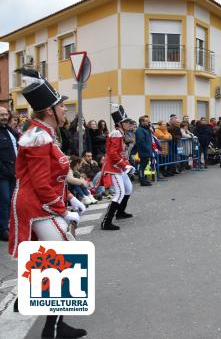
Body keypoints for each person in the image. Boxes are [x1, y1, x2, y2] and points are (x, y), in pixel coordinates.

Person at [8, 67, 87, 338]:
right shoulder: (40, 136)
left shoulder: (44, 132)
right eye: (61, 106)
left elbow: (53, 177)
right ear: (50, 110)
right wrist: (63, 209)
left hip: (37, 203)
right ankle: (52, 329)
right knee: (64, 256)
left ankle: (28, 298)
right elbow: (42, 183)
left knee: (50, 257)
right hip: (37, 206)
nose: (65, 109)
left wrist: (71, 198)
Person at [100, 105, 136, 230]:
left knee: (128, 188)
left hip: (119, 167)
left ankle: (120, 213)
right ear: (119, 123)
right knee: (120, 193)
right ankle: (106, 222)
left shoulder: (121, 133)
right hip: (113, 168)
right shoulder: (116, 133)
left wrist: (128, 165)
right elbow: (113, 154)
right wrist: (125, 165)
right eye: (126, 122)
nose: (129, 124)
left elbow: (121, 153)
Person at [0, 106, 18, 242]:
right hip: (2, 175)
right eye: (1, 115)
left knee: (11, 200)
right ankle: (3, 230)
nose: (4, 117)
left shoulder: (10, 131)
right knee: (4, 200)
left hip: (13, 173)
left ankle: (9, 226)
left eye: (6, 115)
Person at [135, 115, 153, 186]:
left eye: (148, 120)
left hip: (147, 150)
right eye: (146, 121)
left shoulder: (146, 129)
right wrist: (147, 149)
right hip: (143, 151)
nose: (148, 122)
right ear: (141, 122)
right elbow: (141, 141)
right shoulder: (140, 130)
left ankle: (143, 179)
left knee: (144, 165)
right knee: (142, 166)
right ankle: (142, 180)